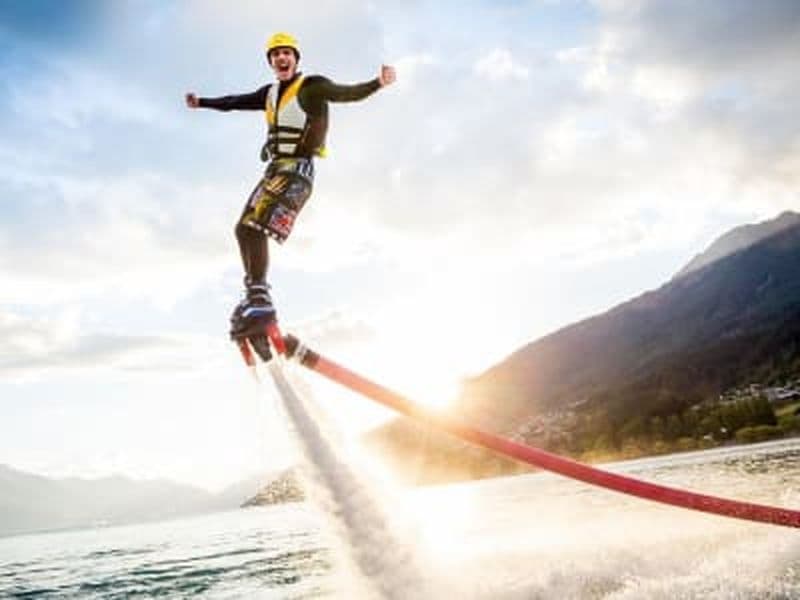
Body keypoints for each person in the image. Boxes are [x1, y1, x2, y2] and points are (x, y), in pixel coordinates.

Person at [186, 32, 396, 343]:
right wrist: (202, 102)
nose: (281, 58)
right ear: (271, 62)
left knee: (256, 227)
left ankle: (261, 301)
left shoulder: (311, 87)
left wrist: (377, 83)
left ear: (296, 59)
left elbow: (346, 94)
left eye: (287, 53)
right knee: (243, 229)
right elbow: (234, 102)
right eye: (275, 54)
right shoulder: (269, 94)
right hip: (275, 171)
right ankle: (255, 295)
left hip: (298, 171)